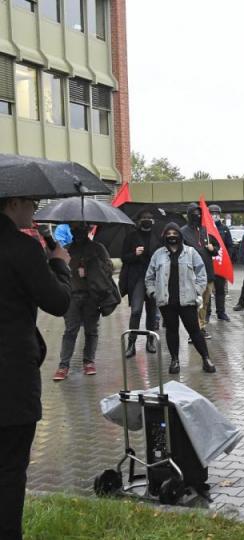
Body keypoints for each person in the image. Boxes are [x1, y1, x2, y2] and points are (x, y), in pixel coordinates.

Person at [0, 196, 71, 540]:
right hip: (11, 379)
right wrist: (58, 264)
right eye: (32, 202)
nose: (35, 209)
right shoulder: (21, 248)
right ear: (13, 203)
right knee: (11, 468)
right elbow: (58, 302)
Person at [145, 223, 216, 374]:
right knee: (171, 331)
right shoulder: (158, 254)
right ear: (164, 236)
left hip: (187, 301)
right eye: (168, 233)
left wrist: (197, 291)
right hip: (166, 301)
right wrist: (153, 293)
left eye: (174, 233)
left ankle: (206, 358)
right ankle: (175, 360)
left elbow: (202, 274)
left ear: (180, 235)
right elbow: (149, 277)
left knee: (194, 330)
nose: (172, 236)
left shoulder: (191, 253)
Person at [53, 223, 113, 381]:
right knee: (70, 331)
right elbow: (57, 269)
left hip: (92, 296)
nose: (77, 232)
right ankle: (63, 365)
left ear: (87, 230)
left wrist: (90, 269)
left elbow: (109, 268)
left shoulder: (98, 248)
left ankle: (89, 361)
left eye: (80, 229)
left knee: (91, 330)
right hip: (71, 295)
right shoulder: (66, 248)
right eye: (74, 229)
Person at [120, 209, 162, 357]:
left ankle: (150, 341)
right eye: (144, 217)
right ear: (139, 220)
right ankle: (131, 343)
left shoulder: (158, 237)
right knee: (136, 311)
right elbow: (124, 258)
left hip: (153, 279)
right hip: (137, 279)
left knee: (151, 313)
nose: (147, 220)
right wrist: (135, 254)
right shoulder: (131, 237)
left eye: (149, 218)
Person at [180, 203, 218, 339]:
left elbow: (216, 249)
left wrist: (213, 248)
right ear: (189, 215)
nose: (198, 215)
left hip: (207, 272)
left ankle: (201, 327)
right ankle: (193, 330)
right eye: (194, 213)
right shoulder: (182, 232)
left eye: (199, 213)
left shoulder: (205, 230)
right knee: (194, 302)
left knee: (205, 302)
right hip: (191, 273)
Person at [207, 204, 234, 322]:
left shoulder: (224, 229)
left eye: (216, 214)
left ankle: (221, 312)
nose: (214, 216)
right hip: (208, 264)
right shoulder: (204, 228)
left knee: (220, 290)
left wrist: (228, 260)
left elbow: (230, 246)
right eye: (212, 214)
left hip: (220, 263)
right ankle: (206, 313)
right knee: (207, 291)